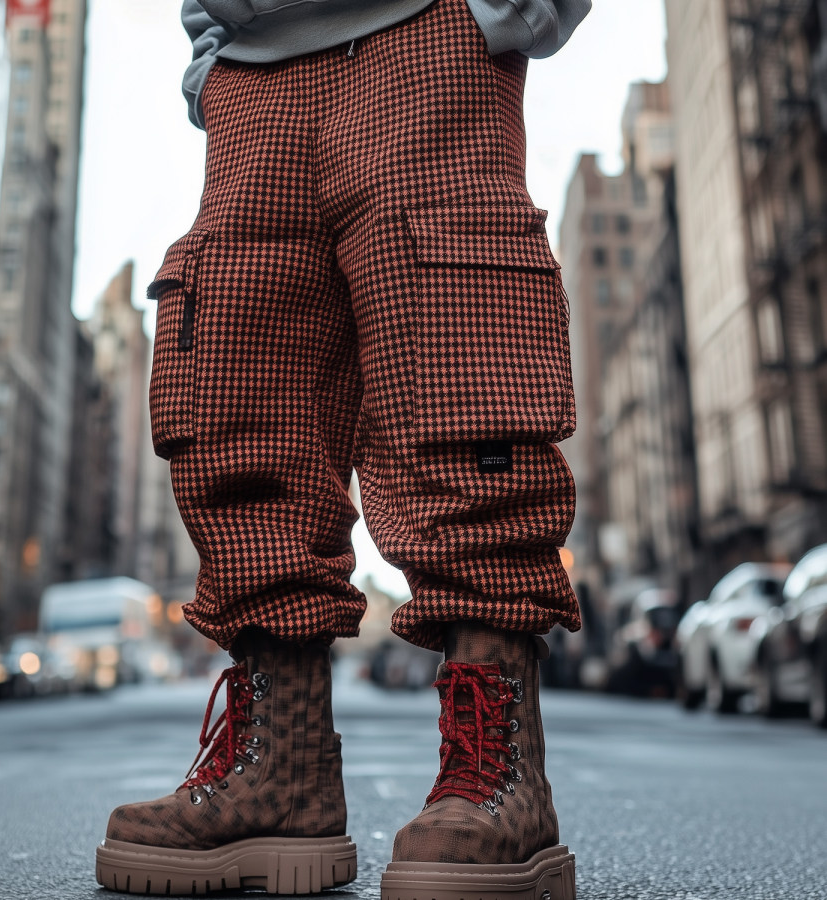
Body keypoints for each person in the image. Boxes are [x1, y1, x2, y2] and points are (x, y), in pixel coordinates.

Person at [96, 0, 591, 897]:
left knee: (460, 374)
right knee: (239, 402)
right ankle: (279, 777)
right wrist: (214, 53)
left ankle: (502, 774)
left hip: (430, 27)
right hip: (254, 66)